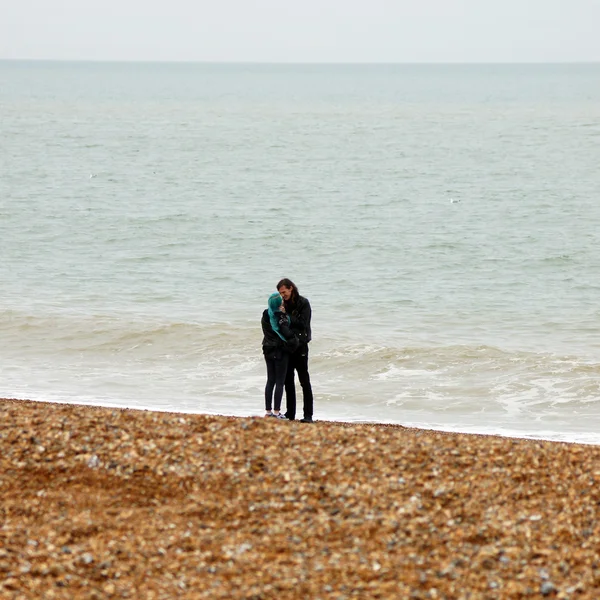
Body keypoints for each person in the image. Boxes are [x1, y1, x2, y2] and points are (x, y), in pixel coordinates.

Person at [277, 278, 314, 423]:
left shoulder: (303, 303)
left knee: (304, 381)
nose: (282, 295)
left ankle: (308, 415)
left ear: (291, 288)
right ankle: (290, 413)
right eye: (280, 293)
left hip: (301, 345)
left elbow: (303, 324)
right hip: (287, 346)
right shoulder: (282, 304)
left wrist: (287, 315)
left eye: (284, 292)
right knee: (288, 381)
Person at [261, 292, 299, 418]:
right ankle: (277, 412)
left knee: (270, 380)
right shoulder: (280, 316)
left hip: (267, 349)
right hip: (280, 351)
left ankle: (268, 411)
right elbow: (286, 332)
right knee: (279, 382)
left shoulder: (265, 314)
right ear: (278, 304)